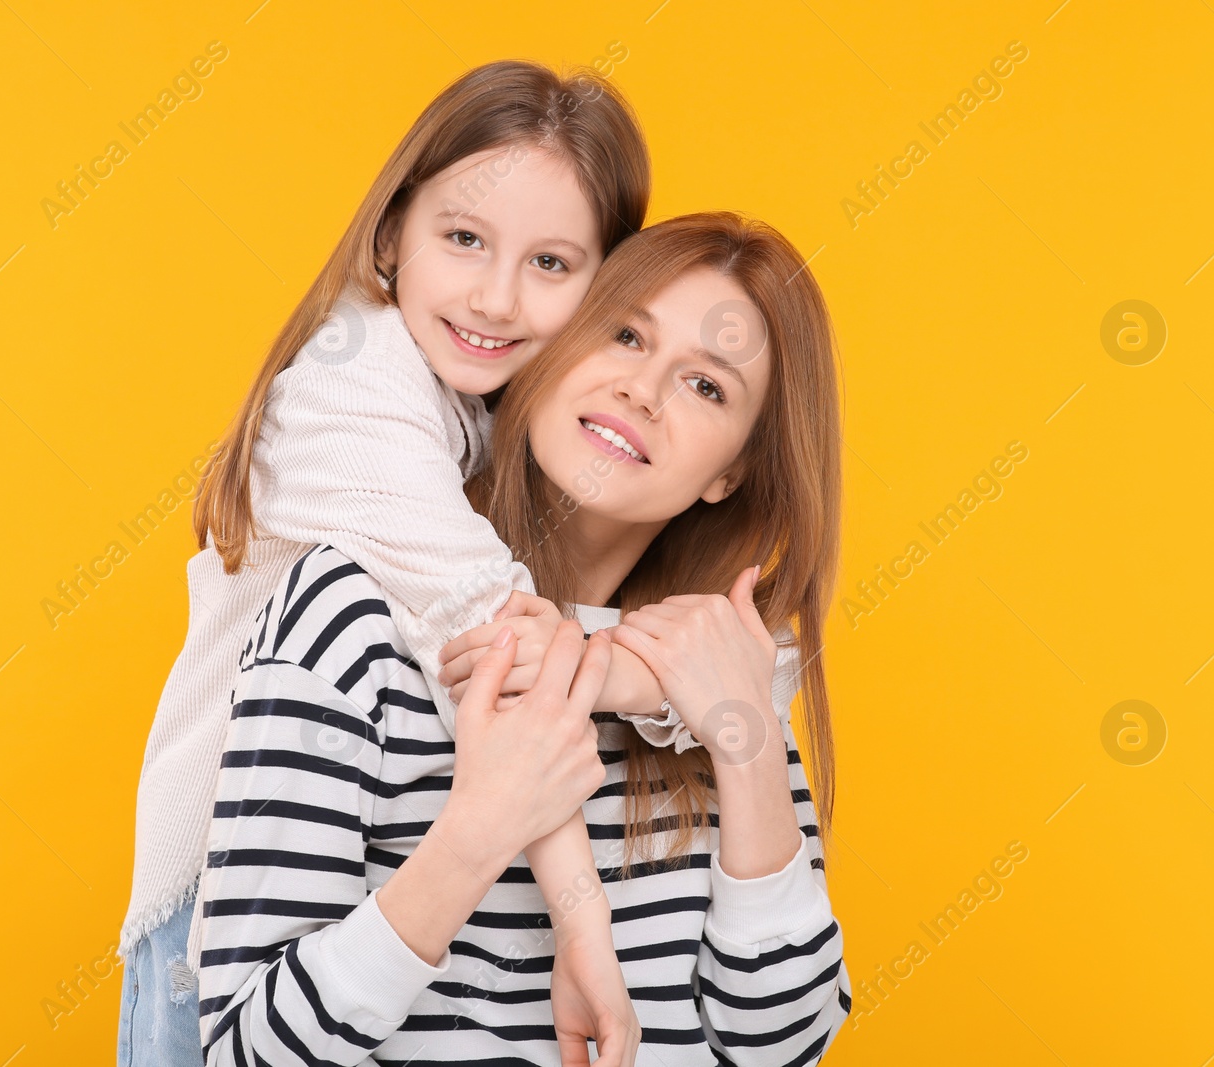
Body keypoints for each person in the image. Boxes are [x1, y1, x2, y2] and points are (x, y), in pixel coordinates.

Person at [196, 213, 852, 1066]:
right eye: (624, 335)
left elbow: (777, 1046)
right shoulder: (350, 615)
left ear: (733, 472)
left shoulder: (718, 671)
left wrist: (752, 746)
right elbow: (251, 1051)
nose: (642, 391)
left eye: (707, 387)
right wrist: (477, 832)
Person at [118, 59, 671, 1065]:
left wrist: (683, 684)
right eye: (463, 239)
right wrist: (583, 930)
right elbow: (505, 644)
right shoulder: (353, 383)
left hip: (350, 884)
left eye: (552, 263)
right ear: (391, 238)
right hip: (219, 897)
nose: (496, 298)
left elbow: (744, 668)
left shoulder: (498, 418)